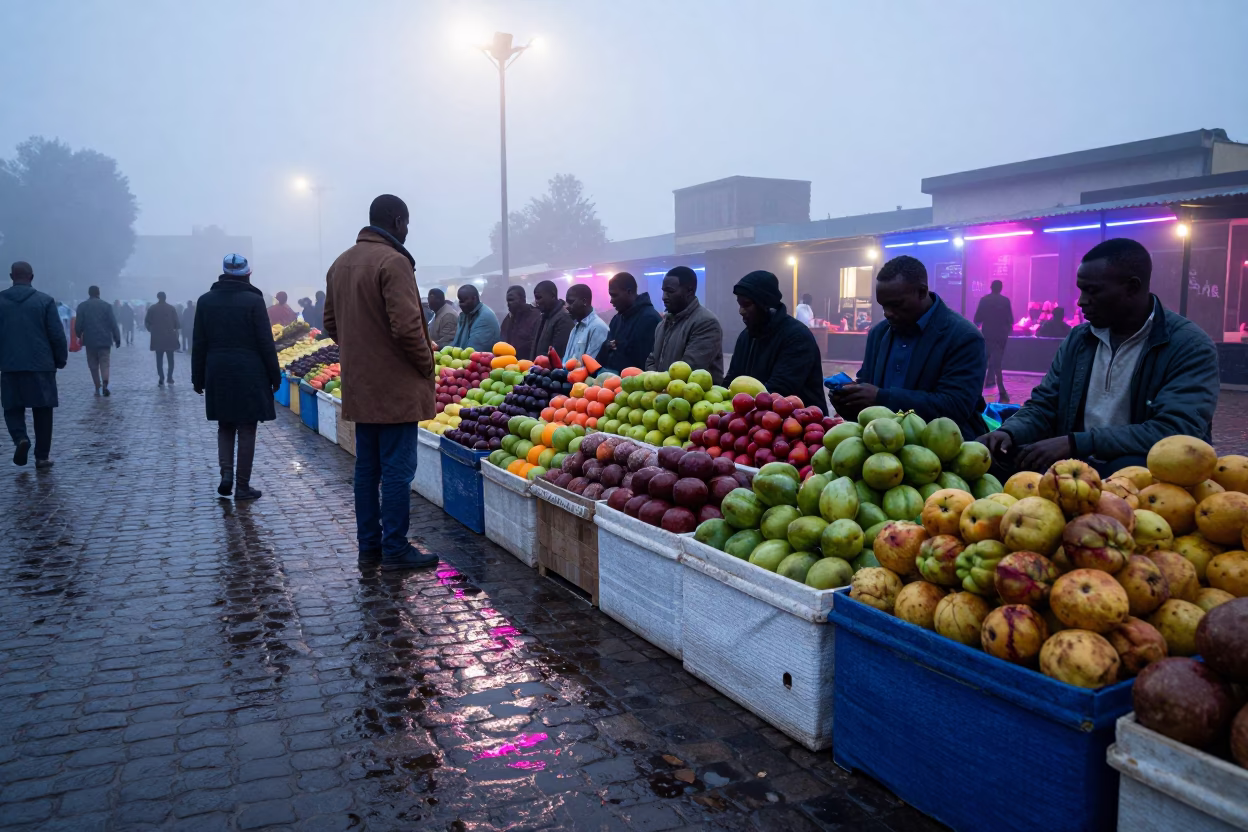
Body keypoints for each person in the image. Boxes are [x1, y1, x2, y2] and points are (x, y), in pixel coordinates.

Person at [980, 239, 1219, 476]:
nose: (1082, 301)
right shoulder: (1079, 339)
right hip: (1076, 467)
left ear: (1132, 288)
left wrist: (1077, 442)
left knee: (1127, 466)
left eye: (1093, 291)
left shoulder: (1189, 346)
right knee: (994, 460)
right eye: (1081, 290)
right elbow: (1045, 405)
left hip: (1143, 472)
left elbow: (1175, 431)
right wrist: (1009, 432)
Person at [323, 194, 438, 572]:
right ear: (397, 220)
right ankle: (395, 548)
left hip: (361, 385)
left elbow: (330, 324)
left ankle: (369, 546)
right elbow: (406, 327)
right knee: (397, 472)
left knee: (367, 470)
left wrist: (361, 351)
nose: (408, 231)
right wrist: (426, 366)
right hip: (395, 389)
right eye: (406, 223)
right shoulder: (394, 261)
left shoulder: (340, 263)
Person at [833, 255, 987, 439]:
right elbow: (868, 387)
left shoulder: (963, 337)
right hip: (884, 447)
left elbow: (955, 406)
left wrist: (882, 398)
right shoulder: (879, 333)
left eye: (896, 305)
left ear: (921, 292)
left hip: (941, 450)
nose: (888, 313)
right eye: (883, 306)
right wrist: (850, 400)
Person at [192, 254, 282, 501]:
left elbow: (199, 343)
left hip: (217, 369)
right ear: (247, 274)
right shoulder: (254, 301)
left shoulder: (205, 301)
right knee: (247, 427)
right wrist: (275, 375)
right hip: (249, 370)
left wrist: (197, 377)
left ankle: (226, 475)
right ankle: (242, 486)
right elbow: (266, 342)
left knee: (225, 425)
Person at [726, 271, 827, 413]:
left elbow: (778, 391)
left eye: (747, 304)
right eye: (740, 304)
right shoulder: (746, 336)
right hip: (756, 423)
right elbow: (731, 379)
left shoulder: (797, 337)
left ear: (765, 305)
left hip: (799, 426)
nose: (741, 311)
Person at [0, 262, 67, 469]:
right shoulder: (45, 301)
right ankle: (42, 456)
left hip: (10, 364)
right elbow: (56, 335)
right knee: (43, 410)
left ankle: (20, 438)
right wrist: (60, 359)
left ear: (12, 276)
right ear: (32, 276)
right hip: (41, 364)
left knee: (12, 408)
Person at [646, 266, 724, 384]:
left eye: (670, 291)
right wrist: (654, 383)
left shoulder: (706, 323)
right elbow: (651, 360)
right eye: (663, 291)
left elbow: (690, 369)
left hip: (696, 399)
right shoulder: (662, 324)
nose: (664, 297)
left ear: (689, 291)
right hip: (664, 398)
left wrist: (658, 383)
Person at [596, 272, 660, 373]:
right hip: (609, 383)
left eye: (614, 295)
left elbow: (645, 363)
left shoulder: (650, 319)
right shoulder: (617, 319)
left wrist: (619, 346)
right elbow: (603, 356)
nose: (611, 301)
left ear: (629, 292)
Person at [75, 286, 121, 396]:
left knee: (93, 364)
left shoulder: (82, 306)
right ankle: (105, 382)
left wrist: (79, 334)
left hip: (90, 340)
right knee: (105, 363)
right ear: (99, 293)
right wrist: (117, 338)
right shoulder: (106, 306)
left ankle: (97, 385)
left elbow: (78, 325)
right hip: (105, 340)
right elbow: (113, 323)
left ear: (89, 293)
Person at [974, 280, 1014, 403]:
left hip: (988, 335)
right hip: (1001, 336)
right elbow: (1010, 320)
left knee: (985, 361)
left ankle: (979, 390)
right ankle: (1001, 390)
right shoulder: (1005, 301)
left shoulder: (984, 300)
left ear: (991, 287)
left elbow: (977, 319)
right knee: (997, 363)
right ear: (1001, 288)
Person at [564, 284, 609, 362]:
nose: (567, 307)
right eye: (566, 303)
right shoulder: (575, 328)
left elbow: (591, 365)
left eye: (571, 302)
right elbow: (566, 362)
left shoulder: (598, 327)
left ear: (584, 301)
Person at [450, 285, 501, 351]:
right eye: (460, 301)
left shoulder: (485, 317)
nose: (460, 304)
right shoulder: (465, 315)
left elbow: (473, 351)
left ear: (474, 298)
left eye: (463, 301)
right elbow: (456, 344)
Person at [532, 279, 574, 361]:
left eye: (539, 297)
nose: (536, 302)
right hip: (538, 371)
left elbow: (558, 355)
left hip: (552, 372)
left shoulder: (563, 319)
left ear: (552, 296)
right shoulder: (542, 317)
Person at [145, 291, 181, 385]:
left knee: (159, 360)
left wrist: (151, 330)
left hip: (157, 337)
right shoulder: (171, 308)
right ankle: (170, 377)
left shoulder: (152, 308)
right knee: (170, 359)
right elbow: (177, 324)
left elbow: (147, 322)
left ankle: (161, 377)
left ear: (158, 297)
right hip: (169, 337)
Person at [499, 285, 543, 361]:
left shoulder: (536, 316)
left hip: (530, 365)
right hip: (509, 364)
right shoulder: (507, 320)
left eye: (511, 300)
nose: (508, 304)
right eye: (507, 301)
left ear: (523, 300)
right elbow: (502, 344)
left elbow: (537, 346)